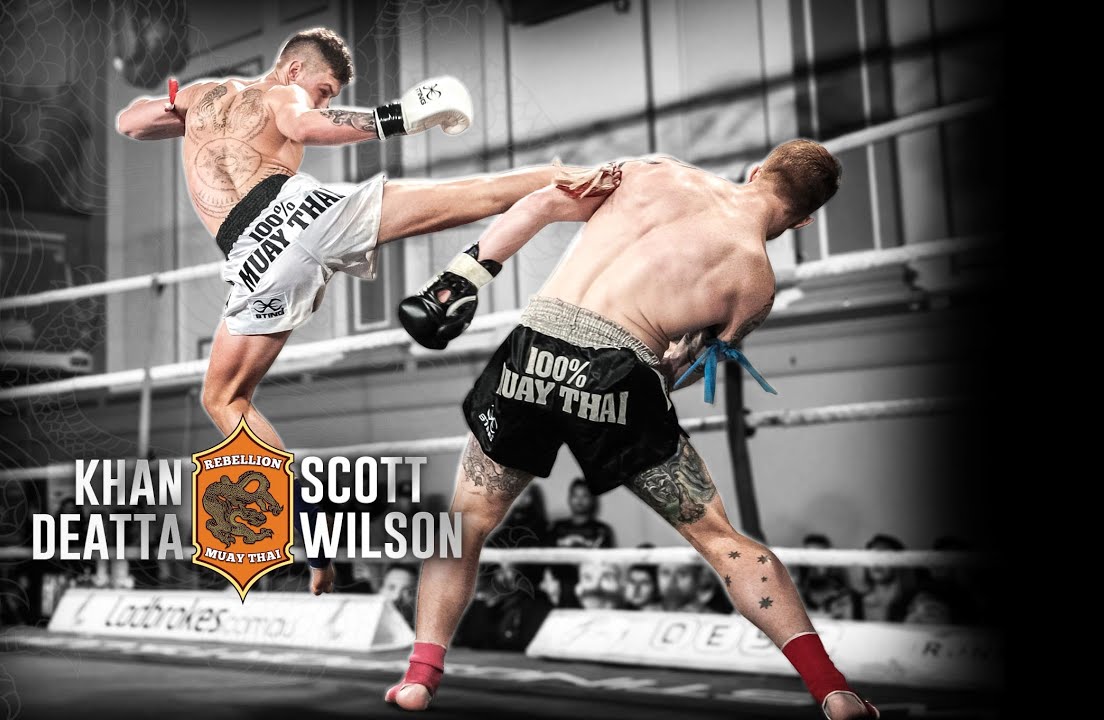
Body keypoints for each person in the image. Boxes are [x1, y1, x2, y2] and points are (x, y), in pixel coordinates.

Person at [387, 142, 879, 718]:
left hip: (531, 352)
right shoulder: (755, 285)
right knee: (720, 540)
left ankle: (420, 678)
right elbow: (679, 371)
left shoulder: (655, 171)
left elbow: (543, 202)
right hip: (619, 374)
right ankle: (833, 691)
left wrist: (461, 279)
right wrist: (654, 362)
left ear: (757, 170)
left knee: (464, 523)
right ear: (803, 220)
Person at [115, 28, 568, 593]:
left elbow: (130, 122)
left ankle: (313, 545)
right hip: (302, 214)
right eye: (324, 88)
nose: (322, 99)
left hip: (254, 259)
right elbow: (305, 125)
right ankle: (571, 179)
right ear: (293, 69)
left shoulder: (201, 96)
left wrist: (179, 108)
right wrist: (398, 118)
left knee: (223, 399)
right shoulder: (283, 93)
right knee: (473, 196)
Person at [547, 478, 616, 608]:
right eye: (575, 495)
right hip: (561, 588)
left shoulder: (602, 529)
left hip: (591, 587)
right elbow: (547, 559)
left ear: (592, 499)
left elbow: (605, 563)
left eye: (584, 496)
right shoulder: (557, 527)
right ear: (569, 498)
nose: (579, 500)